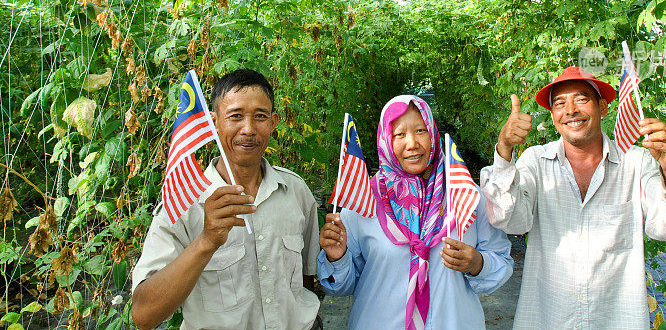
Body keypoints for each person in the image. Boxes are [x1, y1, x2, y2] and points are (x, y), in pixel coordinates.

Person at [480, 66, 666, 330]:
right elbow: (510, 220)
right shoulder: (535, 162)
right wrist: (504, 150)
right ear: (552, 117)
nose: (570, 109)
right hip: (548, 318)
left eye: (582, 99)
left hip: (617, 320)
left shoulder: (637, 163)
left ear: (603, 107)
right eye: (560, 103)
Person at [131, 69, 321, 330]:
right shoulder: (184, 204)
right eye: (235, 116)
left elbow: (305, 280)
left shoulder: (296, 191)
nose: (249, 129)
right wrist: (206, 241)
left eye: (260, 117)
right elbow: (144, 315)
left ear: (274, 122)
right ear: (214, 122)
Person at [317, 95, 513, 330]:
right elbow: (339, 287)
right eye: (399, 135)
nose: (412, 143)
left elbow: (502, 261)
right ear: (386, 141)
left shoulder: (465, 195)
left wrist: (477, 263)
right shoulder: (364, 200)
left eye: (420, 131)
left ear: (432, 133)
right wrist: (336, 258)